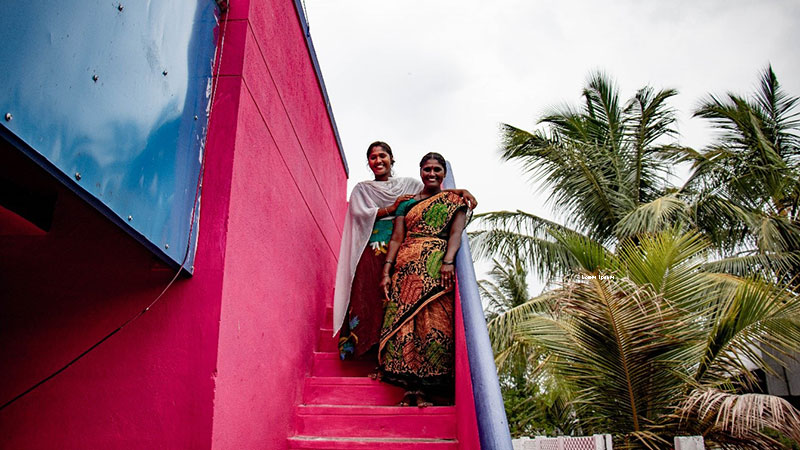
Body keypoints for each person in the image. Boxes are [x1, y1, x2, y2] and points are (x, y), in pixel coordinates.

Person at [332, 142, 475, 362]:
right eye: (373, 157)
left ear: (392, 159)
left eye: (382, 156)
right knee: (368, 293)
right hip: (373, 246)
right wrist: (392, 207)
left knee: (396, 299)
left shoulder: (408, 183)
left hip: (401, 246)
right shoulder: (362, 188)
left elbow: (432, 194)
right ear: (369, 162)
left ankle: (388, 353)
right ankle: (363, 350)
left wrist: (460, 191)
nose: (378, 161)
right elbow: (360, 215)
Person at [377, 152, 468, 407]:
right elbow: (396, 238)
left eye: (437, 170)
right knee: (405, 326)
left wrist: (448, 261)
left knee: (433, 324)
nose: (431, 174)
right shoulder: (406, 205)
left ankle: (429, 389)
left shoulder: (454, 200)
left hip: (436, 268)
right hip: (405, 267)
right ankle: (409, 389)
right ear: (420, 172)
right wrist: (386, 271)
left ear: (443, 174)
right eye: (427, 169)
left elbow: (456, 233)